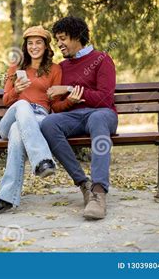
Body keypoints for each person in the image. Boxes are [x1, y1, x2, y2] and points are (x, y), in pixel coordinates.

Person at [41, 16, 118, 220]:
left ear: (77, 37)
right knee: (48, 123)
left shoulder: (102, 59)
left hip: (103, 114)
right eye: (57, 39)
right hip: (74, 116)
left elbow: (104, 98)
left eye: (63, 38)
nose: (59, 44)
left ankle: (99, 192)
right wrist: (68, 101)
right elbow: (57, 107)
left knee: (97, 119)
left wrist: (70, 89)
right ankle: (84, 185)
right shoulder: (62, 67)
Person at [0, 25, 62, 215]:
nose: (34, 47)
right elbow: (6, 100)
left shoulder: (55, 69)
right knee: (23, 105)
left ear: (46, 47)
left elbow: (56, 105)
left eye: (38, 43)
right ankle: (42, 160)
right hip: (12, 116)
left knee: (18, 133)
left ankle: (5, 198)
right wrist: (17, 91)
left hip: (39, 119)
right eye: (30, 43)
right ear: (25, 46)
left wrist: (59, 94)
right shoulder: (15, 67)